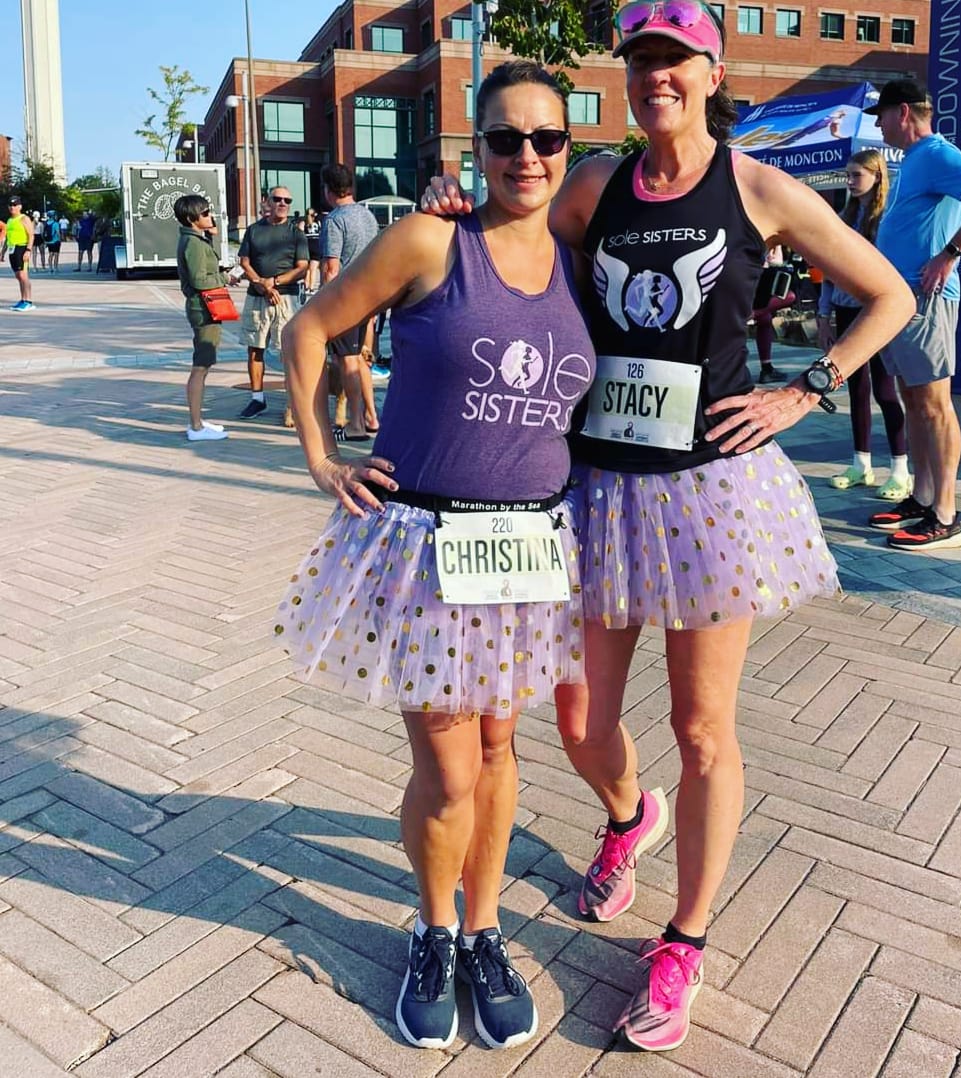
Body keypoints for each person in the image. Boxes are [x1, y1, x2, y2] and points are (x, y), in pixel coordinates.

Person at [423, 7, 913, 1052]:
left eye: (675, 61)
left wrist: (807, 388)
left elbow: (890, 295)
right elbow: (508, 235)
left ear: (711, 73)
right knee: (579, 719)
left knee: (701, 730)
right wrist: (450, 208)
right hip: (597, 488)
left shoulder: (758, 189)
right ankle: (626, 817)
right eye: (641, 60)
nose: (657, 77)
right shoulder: (594, 185)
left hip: (708, 493)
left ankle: (683, 938)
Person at [276, 60, 596, 1052]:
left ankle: (484, 929)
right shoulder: (429, 241)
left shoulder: (581, 261)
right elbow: (310, 329)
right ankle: (433, 926)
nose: (527, 156)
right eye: (506, 138)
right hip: (428, 542)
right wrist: (322, 457)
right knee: (451, 769)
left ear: (567, 149)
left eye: (546, 138)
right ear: (477, 148)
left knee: (500, 749)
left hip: (532, 546)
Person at [864, 79, 961, 551]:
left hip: (926, 300)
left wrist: (950, 254)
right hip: (904, 300)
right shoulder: (916, 160)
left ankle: (946, 515)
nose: (879, 126)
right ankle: (923, 498)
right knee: (914, 401)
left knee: (933, 403)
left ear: (903, 112)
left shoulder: (935, 152)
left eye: (882, 116)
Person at [819, 149, 909, 499]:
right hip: (845, 310)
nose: (850, 182)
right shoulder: (844, 217)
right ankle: (861, 464)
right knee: (856, 389)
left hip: (876, 312)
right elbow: (829, 270)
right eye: (848, 175)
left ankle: (900, 469)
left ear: (877, 176)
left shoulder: (886, 218)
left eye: (857, 175)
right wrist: (823, 315)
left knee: (885, 391)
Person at [318, 162, 381, 442]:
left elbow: (331, 269)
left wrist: (324, 304)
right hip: (369, 298)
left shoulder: (335, 220)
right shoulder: (368, 216)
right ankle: (371, 417)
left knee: (348, 362)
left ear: (329, 190)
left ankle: (354, 424)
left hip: (344, 301)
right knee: (362, 361)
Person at [235, 185, 308, 424]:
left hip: (286, 299)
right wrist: (261, 284)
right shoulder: (254, 230)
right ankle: (257, 398)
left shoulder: (296, 234)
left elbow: (302, 267)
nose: (283, 203)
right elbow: (244, 262)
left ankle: (291, 404)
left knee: (289, 352)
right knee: (255, 349)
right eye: (278, 199)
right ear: (268, 201)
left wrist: (274, 282)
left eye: (288, 200)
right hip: (257, 298)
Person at [174, 194, 230, 442]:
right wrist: (225, 278)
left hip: (203, 307)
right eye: (205, 213)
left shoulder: (195, 239)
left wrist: (210, 234)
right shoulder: (193, 243)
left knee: (203, 365)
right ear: (191, 218)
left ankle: (198, 421)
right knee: (201, 366)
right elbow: (199, 280)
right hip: (204, 308)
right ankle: (196, 426)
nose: (210, 216)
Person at [751, 244, 796, 383]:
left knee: (765, 319)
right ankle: (749, 314)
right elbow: (775, 261)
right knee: (789, 296)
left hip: (757, 278)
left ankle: (767, 368)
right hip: (752, 276)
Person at [2, 195, 35, 310]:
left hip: (22, 248)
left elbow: (31, 235)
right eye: (10, 205)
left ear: (20, 206)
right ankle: (22, 299)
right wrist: (3, 252)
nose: (12, 207)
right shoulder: (10, 220)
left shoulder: (24, 218)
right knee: (18, 276)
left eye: (15, 205)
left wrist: (28, 250)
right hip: (13, 249)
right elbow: (8, 237)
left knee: (23, 275)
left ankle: (28, 300)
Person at [300, 206, 322, 294]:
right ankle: (311, 288)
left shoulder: (303, 223)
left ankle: (306, 287)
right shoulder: (318, 222)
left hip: (306, 246)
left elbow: (299, 234)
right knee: (313, 269)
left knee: (307, 269)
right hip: (316, 246)